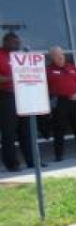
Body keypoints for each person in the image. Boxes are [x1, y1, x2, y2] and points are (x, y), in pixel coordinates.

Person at [46, 46, 76, 161]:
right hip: (59, 102)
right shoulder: (48, 70)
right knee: (59, 129)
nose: (60, 57)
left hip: (74, 100)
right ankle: (59, 155)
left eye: (61, 54)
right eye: (57, 55)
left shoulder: (72, 67)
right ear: (52, 57)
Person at [0, 31, 35, 171]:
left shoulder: (20, 56)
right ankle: (12, 164)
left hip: (22, 95)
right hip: (5, 96)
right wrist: (14, 77)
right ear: (6, 41)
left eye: (19, 42)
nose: (18, 44)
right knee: (9, 132)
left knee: (26, 131)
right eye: (15, 42)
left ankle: (32, 162)